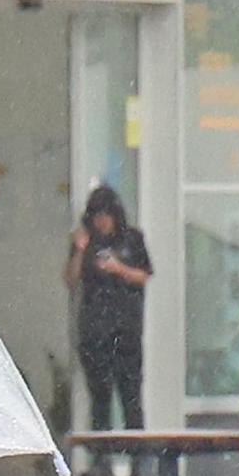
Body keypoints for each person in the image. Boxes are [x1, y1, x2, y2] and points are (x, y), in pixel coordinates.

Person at [63, 185, 152, 448]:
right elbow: (70, 279)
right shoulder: (86, 242)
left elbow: (144, 276)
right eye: (96, 216)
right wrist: (80, 249)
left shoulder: (132, 239)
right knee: (99, 399)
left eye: (105, 215)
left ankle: (137, 459)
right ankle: (100, 461)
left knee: (131, 397)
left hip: (126, 331)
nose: (101, 222)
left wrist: (119, 269)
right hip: (95, 331)